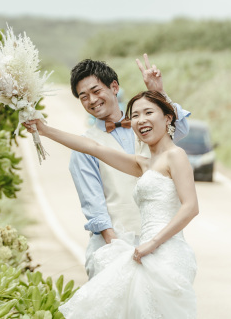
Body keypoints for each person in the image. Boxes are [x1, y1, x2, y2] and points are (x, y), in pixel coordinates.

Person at [25, 91, 198, 318]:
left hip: (166, 252)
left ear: (167, 118)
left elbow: (191, 207)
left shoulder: (176, 155)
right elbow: (93, 148)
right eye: (135, 115)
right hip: (143, 252)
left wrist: (152, 244)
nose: (141, 120)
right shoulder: (143, 164)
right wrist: (45, 130)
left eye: (148, 112)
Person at [69, 56, 190, 277]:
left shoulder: (147, 126)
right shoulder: (85, 147)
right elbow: (94, 206)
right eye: (83, 97)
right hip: (114, 245)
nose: (92, 100)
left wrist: (159, 93)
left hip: (160, 241)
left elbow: (180, 128)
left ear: (114, 87)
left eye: (96, 91)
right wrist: (115, 248)